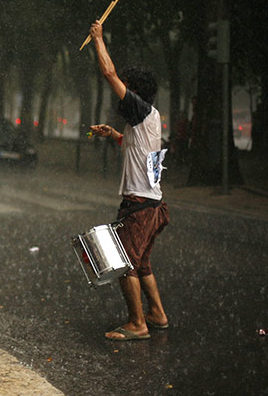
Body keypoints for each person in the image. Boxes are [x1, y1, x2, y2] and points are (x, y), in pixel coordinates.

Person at [88, 20, 170, 341]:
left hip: (138, 205)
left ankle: (137, 324)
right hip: (153, 204)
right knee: (143, 262)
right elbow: (140, 152)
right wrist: (114, 134)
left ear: (133, 91)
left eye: (126, 87)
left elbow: (109, 74)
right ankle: (158, 315)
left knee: (125, 264)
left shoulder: (140, 108)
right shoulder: (149, 118)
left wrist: (98, 39)